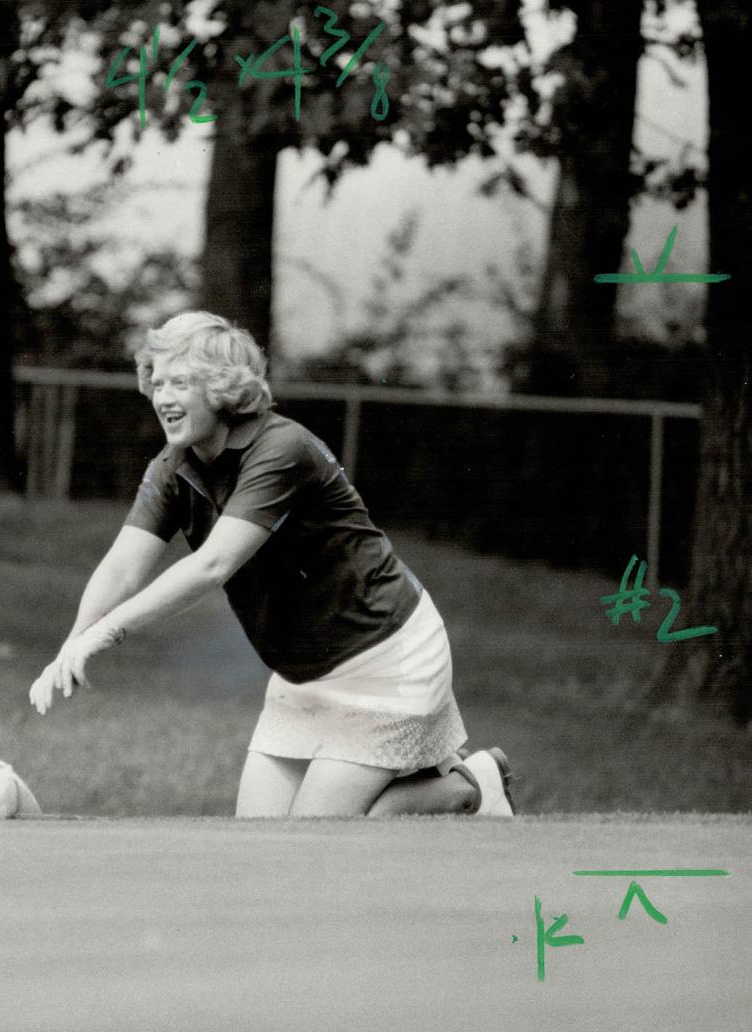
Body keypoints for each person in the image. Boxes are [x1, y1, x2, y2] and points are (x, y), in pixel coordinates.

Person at [28, 311, 514, 818]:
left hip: (385, 659)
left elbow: (214, 565)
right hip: (301, 672)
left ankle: (471, 784)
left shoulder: (282, 450)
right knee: (257, 839)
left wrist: (105, 633)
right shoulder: (173, 466)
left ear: (220, 389)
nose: (163, 397)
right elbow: (123, 567)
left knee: (319, 840)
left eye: (181, 382)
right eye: (158, 381)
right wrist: (71, 644)